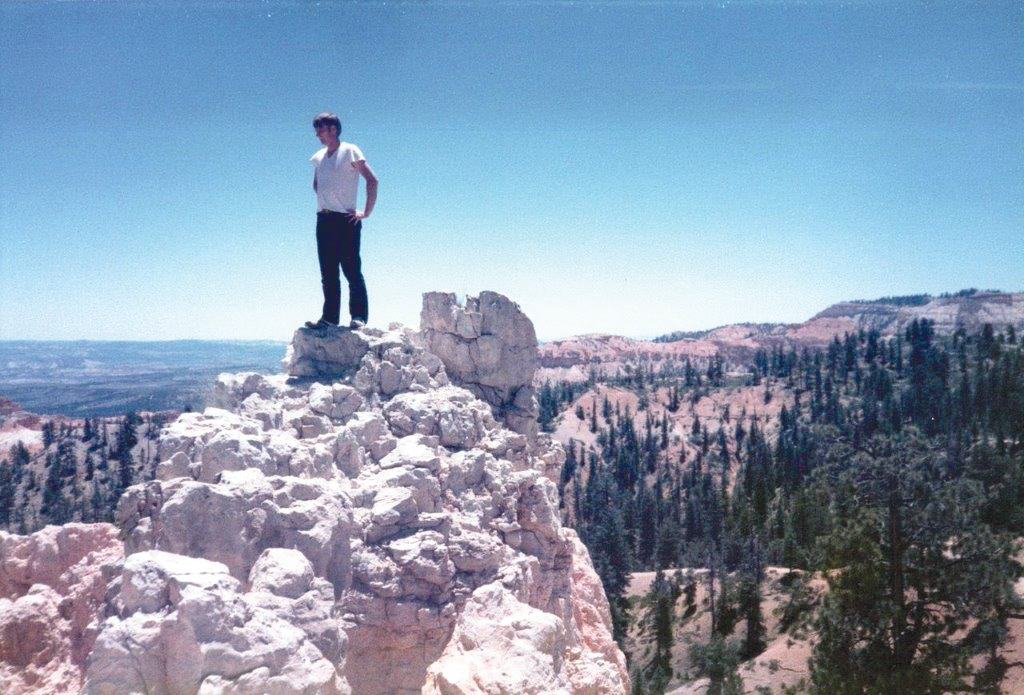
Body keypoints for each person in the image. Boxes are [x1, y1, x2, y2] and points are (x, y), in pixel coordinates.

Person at [305, 112, 378, 330]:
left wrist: (366, 212)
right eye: (317, 129)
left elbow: (372, 180)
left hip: (345, 219)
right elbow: (316, 185)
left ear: (334, 129)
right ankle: (329, 319)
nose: (317, 133)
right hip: (324, 219)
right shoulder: (318, 157)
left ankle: (358, 317)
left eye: (321, 128)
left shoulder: (350, 150)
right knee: (327, 272)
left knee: (351, 270)